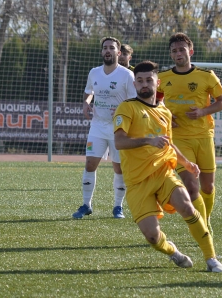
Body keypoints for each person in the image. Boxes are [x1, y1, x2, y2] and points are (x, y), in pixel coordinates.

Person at [113, 60, 222, 273]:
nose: (144, 84)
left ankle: (211, 259)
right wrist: (148, 140)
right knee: (153, 237)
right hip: (137, 182)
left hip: (163, 172)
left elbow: (169, 143)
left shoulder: (164, 111)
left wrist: (186, 163)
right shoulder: (127, 108)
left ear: (158, 82)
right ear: (135, 84)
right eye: (140, 81)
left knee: (187, 206)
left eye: (148, 80)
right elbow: (119, 142)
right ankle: (173, 252)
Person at [157, 32, 222, 233]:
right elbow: (152, 103)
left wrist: (203, 111)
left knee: (207, 187)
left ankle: (206, 218)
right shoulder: (162, 78)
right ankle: (202, 228)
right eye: (174, 51)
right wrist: (166, 116)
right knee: (190, 185)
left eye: (181, 49)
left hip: (204, 136)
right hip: (179, 139)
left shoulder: (206, 76)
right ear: (171, 55)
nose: (178, 53)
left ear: (190, 51)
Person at [72, 36, 137, 219]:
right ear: (102, 52)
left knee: (119, 168)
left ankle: (118, 207)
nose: (108, 51)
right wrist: (86, 102)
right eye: (105, 48)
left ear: (118, 52)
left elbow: (135, 101)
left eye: (111, 48)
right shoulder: (94, 72)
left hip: (119, 128)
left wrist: (123, 109)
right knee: (90, 164)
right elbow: (88, 92)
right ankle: (86, 204)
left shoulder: (127, 75)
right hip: (98, 126)